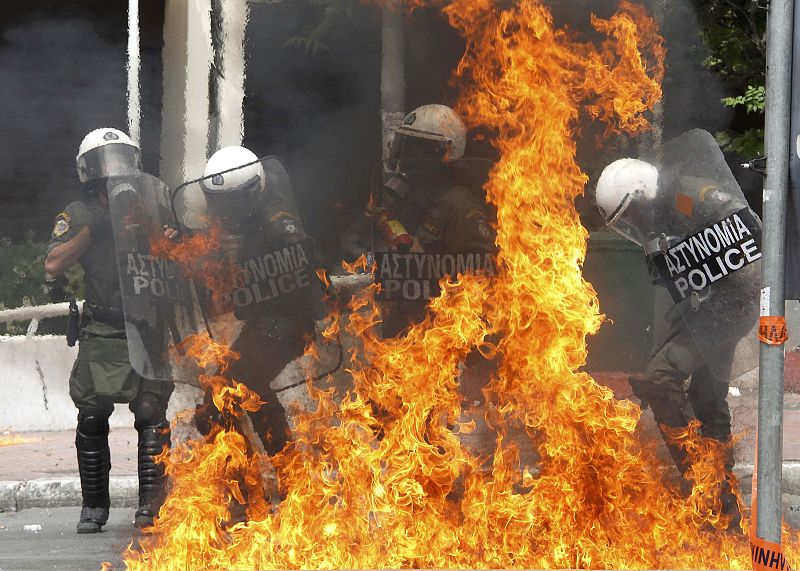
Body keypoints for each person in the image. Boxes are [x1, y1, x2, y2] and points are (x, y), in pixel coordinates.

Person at [594, 130, 759, 529]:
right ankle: (723, 508)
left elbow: (740, 225)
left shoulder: (684, 196)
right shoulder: (657, 227)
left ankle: (701, 487)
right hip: (707, 311)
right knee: (706, 396)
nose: (632, 225)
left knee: (662, 377)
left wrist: (737, 284)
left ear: (644, 192)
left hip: (730, 304)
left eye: (630, 214)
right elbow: (668, 291)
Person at [44, 128, 175, 533]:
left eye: (119, 159)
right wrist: (94, 230)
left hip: (146, 325)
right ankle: (93, 508)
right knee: (91, 415)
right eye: (106, 162)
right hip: (101, 329)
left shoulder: (153, 203)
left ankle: (150, 508)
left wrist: (163, 236)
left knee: (152, 415)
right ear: (90, 172)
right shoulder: (78, 214)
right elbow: (52, 264)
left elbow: (178, 254)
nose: (114, 171)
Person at [191, 146, 318, 457]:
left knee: (221, 395)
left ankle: (246, 487)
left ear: (251, 191)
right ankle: (287, 475)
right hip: (264, 325)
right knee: (252, 390)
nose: (223, 210)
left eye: (229, 202)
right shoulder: (248, 222)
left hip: (283, 326)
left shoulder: (278, 221)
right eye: (219, 201)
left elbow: (301, 263)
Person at [369, 104, 496, 336]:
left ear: (443, 152)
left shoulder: (459, 203)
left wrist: (429, 263)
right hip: (405, 316)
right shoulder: (408, 193)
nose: (405, 156)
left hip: (441, 327)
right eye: (404, 145)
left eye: (415, 148)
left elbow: (484, 270)